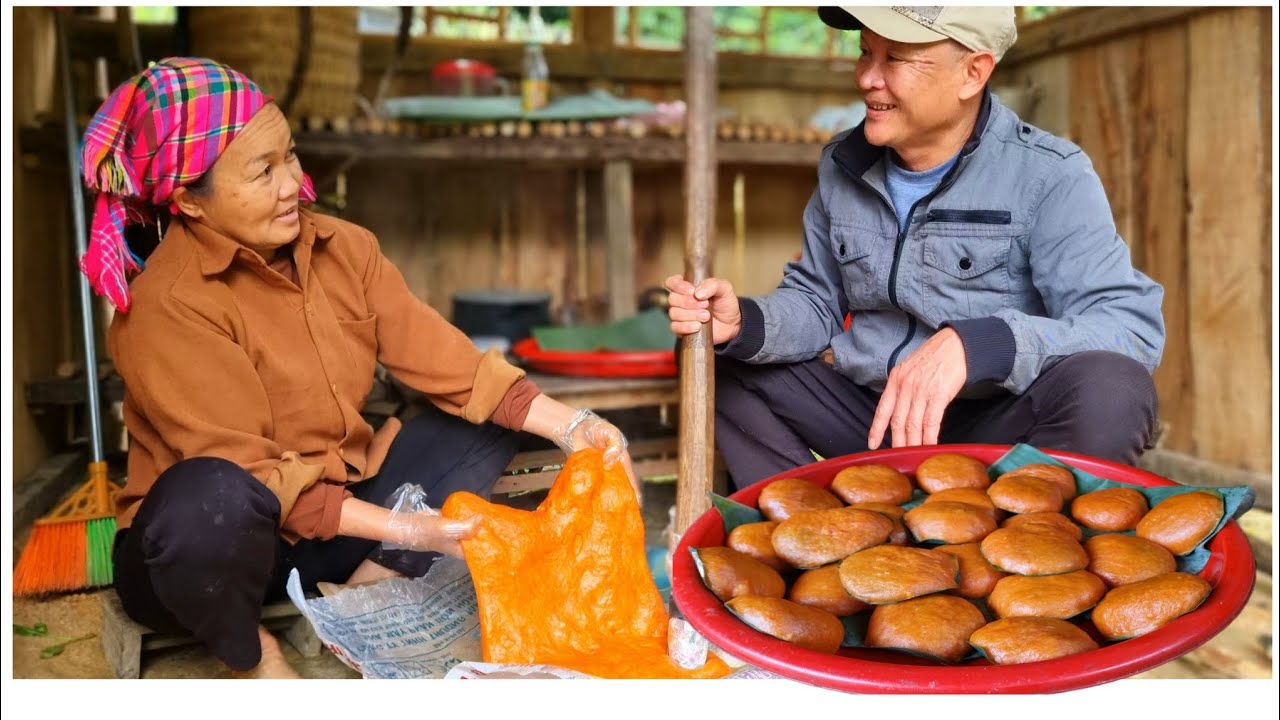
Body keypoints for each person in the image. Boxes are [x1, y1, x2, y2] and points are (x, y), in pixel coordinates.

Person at [80, 57, 637, 679]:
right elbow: (255, 475)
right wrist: (410, 530)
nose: (291, 183)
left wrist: (578, 427)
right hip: (209, 564)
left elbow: (453, 368)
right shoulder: (169, 303)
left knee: (483, 416)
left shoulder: (346, 250)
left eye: (289, 156)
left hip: (333, 533)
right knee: (210, 497)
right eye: (262, 172)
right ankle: (252, 652)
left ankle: (366, 592)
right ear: (190, 200)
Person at [666, 7, 1165, 490]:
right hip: (874, 420)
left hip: (998, 431)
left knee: (1114, 387)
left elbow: (1128, 328)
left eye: (896, 58)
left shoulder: (1049, 174)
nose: (866, 78)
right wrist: (744, 323)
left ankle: (1035, 550)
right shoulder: (844, 165)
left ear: (973, 73)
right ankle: (816, 538)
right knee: (713, 354)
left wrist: (982, 345)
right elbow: (817, 302)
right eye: (865, 52)